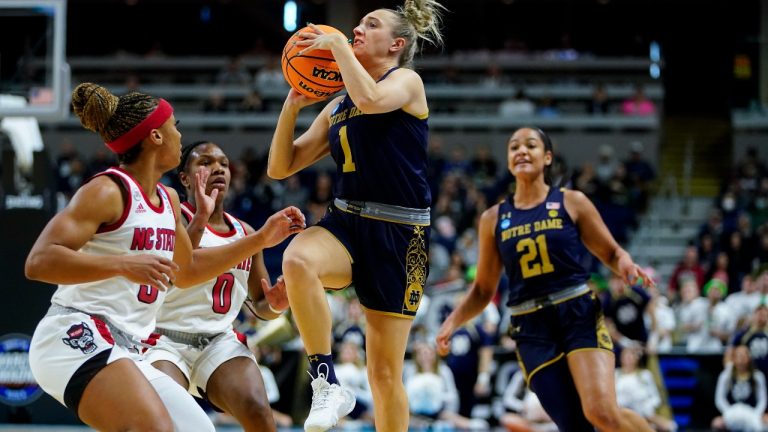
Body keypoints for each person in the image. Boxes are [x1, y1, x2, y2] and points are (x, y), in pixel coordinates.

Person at [24, 83, 305, 431]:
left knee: (200, 429)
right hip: (76, 331)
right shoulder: (107, 190)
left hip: (127, 345)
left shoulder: (168, 199)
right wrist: (122, 264)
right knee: (155, 428)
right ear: (155, 137)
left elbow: (186, 272)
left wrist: (260, 238)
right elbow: (38, 262)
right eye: (175, 126)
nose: (179, 133)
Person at [267, 1, 445, 431]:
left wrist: (335, 46)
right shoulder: (338, 103)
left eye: (372, 24)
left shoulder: (406, 80)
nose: (357, 29)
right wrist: (293, 105)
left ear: (396, 44)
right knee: (297, 259)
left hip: (401, 235)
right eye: (358, 23)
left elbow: (372, 97)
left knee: (383, 375)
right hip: (346, 220)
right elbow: (280, 166)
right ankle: (325, 383)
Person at [436, 127, 655, 431]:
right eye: (514, 147)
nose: (521, 151)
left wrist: (625, 263)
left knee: (602, 412)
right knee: (574, 424)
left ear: (547, 157)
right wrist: (452, 322)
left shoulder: (571, 202)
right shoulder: (493, 219)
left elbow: (612, 252)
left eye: (531, 145)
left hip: (576, 312)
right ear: (509, 161)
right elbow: (483, 288)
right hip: (530, 326)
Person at [143, 140, 289, 432]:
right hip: (163, 340)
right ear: (185, 178)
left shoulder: (245, 233)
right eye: (205, 163)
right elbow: (180, 270)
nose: (218, 168)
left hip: (218, 340)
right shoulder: (169, 219)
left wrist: (276, 303)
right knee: (171, 422)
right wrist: (200, 217)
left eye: (223, 163)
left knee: (258, 412)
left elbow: (260, 306)